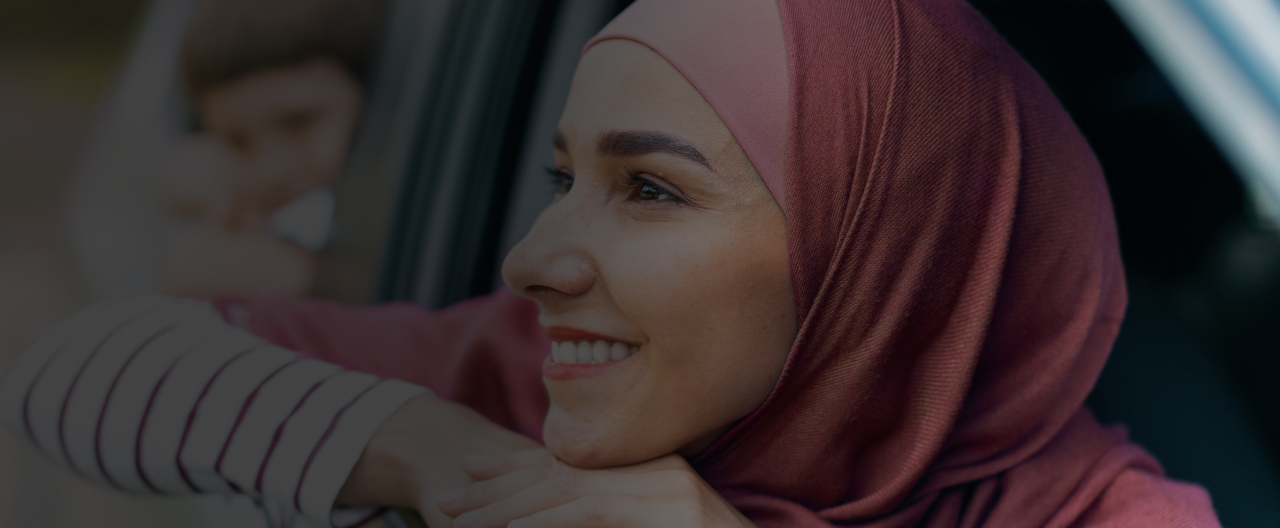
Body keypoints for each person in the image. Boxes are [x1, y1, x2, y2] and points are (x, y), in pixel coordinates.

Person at [2, 0, 1222, 527]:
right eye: (558, 177)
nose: (532, 259)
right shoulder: (510, 375)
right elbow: (73, 370)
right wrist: (434, 457)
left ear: (878, 256)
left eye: (645, 188)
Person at [157, 0, 384, 299]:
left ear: (374, 95)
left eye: (300, 122)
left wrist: (304, 274)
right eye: (237, 141)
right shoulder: (236, 207)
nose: (270, 169)